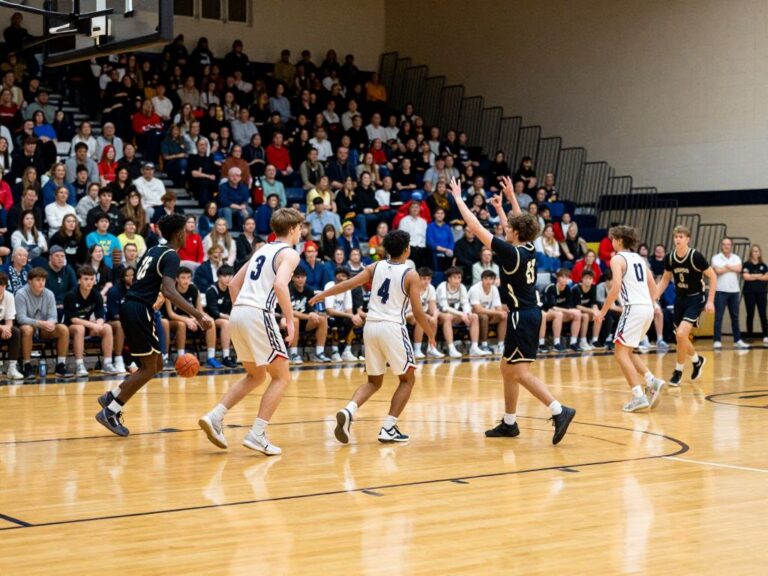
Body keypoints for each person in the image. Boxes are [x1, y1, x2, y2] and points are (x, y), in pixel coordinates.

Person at [450, 176, 575, 443]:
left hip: (522, 316)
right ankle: (509, 423)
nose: (505, 228)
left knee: (519, 372)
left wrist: (459, 199)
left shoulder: (511, 252)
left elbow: (474, 225)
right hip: (528, 314)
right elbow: (521, 224)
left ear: (514, 234)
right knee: (507, 369)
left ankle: (558, 409)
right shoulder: (528, 246)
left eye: (508, 228)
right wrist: (507, 201)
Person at [310, 230, 436, 444]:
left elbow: (348, 284)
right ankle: (389, 427)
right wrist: (431, 334)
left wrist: (322, 295)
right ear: (407, 250)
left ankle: (349, 409)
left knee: (374, 381)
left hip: (371, 327)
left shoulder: (374, 266)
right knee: (408, 379)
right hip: (392, 327)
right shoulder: (410, 274)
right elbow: (417, 311)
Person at [95, 214, 213, 437]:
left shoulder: (152, 250)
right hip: (139, 309)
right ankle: (110, 411)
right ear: (179, 233)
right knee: (149, 367)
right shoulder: (171, 256)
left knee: (156, 364)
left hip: (136, 307)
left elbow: (150, 282)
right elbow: (169, 290)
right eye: (186, 232)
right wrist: (198, 314)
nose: (188, 235)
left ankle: (113, 396)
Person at [198, 208, 303, 455]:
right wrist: (290, 320)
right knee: (282, 377)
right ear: (291, 229)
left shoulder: (261, 250)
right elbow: (280, 285)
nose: (301, 232)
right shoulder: (289, 253)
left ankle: (215, 416)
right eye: (299, 228)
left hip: (240, 313)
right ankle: (257, 433)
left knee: (255, 376)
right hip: (258, 314)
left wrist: (243, 313)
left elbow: (233, 284)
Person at [595, 226, 665, 412]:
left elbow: (616, 286)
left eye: (613, 239)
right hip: (648, 309)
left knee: (619, 354)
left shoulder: (617, 258)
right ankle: (651, 380)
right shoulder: (641, 260)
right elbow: (655, 290)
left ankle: (638, 396)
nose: (611, 242)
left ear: (619, 240)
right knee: (628, 352)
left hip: (633, 308)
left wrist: (602, 312)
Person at [654, 225, 717, 387]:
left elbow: (713, 276)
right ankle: (697, 360)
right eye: (676, 237)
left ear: (688, 239)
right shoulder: (670, 257)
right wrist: (654, 296)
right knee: (679, 336)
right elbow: (665, 279)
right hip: (680, 298)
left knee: (681, 334)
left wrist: (710, 301)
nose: (678, 239)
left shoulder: (696, 256)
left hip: (696, 298)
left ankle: (678, 371)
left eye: (681, 236)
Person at [64, 265, 123, 376]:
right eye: (86, 279)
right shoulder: (71, 295)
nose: (89, 282)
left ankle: (107, 363)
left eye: (92, 279)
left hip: (88, 325)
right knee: (80, 328)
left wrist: (99, 325)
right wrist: (93, 325)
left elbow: (100, 314)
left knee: (107, 328)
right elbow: (73, 318)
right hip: (71, 326)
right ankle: (79, 365)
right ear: (79, 280)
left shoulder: (96, 294)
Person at [16, 267, 74, 379]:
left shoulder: (49, 294)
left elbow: (53, 317)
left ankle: (60, 365)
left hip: (43, 328)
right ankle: (26, 365)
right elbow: (21, 318)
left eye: (43, 280)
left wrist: (50, 323)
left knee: (63, 329)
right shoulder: (21, 294)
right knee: (27, 329)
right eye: (38, 280)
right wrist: (40, 323)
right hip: (28, 328)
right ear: (29, 281)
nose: (41, 283)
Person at [164, 266, 222, 369]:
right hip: (174, 320)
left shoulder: (194, 289)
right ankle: (181, 358)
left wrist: (205, 318)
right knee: (181, 325)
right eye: (183, 278)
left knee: (210, 322)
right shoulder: (170, 290)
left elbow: (199, 311)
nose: (186, 280)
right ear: (176, 279)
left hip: (192, 318)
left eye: (188, 277)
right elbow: (171, 313)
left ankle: (211, 357)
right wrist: (187, 320)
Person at [435, 267, 485, 358]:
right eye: (455, 277)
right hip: (439, 315)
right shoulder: (442, 286)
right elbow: (445, 307)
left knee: (474, 316)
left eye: (459, 277)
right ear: (449, 278)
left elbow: (465, 303)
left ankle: (474, 347)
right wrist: (462, 314)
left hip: (455, 315)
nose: (457, 280)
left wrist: (467, 313)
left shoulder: (462, 287)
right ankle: (451, 348)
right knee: (448, 317)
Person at [711, 237, 750, 349]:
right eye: (724, 244)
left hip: (734, 291)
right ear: (721, 245)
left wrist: (726, 267)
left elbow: (739, 269)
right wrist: (731, 268)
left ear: (731, 246)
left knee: (735, 317)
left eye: (728, 244)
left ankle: (737, 340)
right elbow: (717, 271)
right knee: (718, 316)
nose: (726, 246)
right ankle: (717, 340)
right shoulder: (716, 257)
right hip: (720, 291)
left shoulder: (736, 257)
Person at [287, 267, 331, 363]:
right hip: (289, 321)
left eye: (302, 277)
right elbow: (288, 312)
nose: (300, 279)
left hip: (305, 323)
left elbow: (310, 309)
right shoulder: (288, 290)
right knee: (295, 320)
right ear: (293, 278)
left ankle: (319, 353)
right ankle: (293, 354)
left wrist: (314, 314)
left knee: (323, 318)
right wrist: (308, 316)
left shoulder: (309, 290)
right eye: (297, 277)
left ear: (306, 278)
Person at [543, 268, 584, 351]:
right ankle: (556, 343)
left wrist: (571, 311)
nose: (565, 280)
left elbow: (568, 306)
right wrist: (568, 311)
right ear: (558, 278)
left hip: (560, 313)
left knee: (578, 314)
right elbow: (552, 307)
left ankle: (573, 343)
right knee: (559, 314)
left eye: (567, 278)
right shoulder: (551, 288)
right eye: (563, 277)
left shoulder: (567, 288)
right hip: (547, 312)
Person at [407, 267, 444, 359]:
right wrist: (427, 316)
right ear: (418, 278)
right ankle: (417, 349)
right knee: (421, 320)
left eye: (429, 279)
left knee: (433, 320)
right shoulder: (412, 288)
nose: (426, 281)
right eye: (424, 279)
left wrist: (435, 316)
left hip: (421, 314)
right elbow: (414, 310)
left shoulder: (431, 288)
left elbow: (433, 306)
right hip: (407, 314)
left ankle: (431, 348)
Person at [468, 270, 507, 355]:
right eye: (486, 279)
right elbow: (478, 309)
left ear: (494, 280)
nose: (488, 281)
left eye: (491, 279)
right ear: (482, 279)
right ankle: (484, 345)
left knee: (504, 316)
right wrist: (497, 312)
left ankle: (500, 345)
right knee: (484, 316)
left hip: (488, 312)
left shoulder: (494, 288)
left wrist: (500, 312)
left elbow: (499, 307)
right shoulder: (474, 289)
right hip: (473, 315)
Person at [204, 264, 236, 368]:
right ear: (219, 276)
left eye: (230, 276)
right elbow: (214, 313)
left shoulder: (231, 289)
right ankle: (218, 357)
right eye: (225, 276)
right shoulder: (212, 290)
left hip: (226, 318)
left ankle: (237, 355)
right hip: (211, 319)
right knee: (225, 323)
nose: (228, 278)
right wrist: (229, 317)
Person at [742, 244, 768, 344]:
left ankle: (766, 335)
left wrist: (752, 275)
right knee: (750, 314)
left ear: (759, 253)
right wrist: (759, 276)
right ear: (751, 253)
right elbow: (746, 277)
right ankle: (749, 336)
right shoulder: (746, 264)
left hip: (761, 293)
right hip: (749, 293)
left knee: (763, 314)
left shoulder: (764, 265)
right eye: (754, 251)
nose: (755, 253)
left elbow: (766, 277)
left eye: (757, 251)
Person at [0, 271, 22, 379]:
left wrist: (6, 330)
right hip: (1, 326)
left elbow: (9, 321)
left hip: (3, 325)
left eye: (2, 285)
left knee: (15, 332)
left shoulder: (9, 296)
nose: (0, 288)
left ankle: (12, 368)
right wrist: (2, 328)